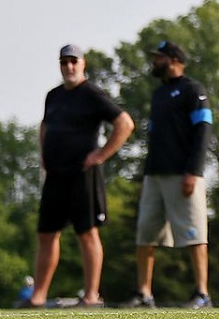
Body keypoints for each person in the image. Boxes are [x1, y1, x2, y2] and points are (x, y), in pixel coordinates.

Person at [22, 45, 134, 309]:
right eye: (64, 62)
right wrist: (43, 155)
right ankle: (37, 296)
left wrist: (101, 155)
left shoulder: (92, 94)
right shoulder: (54, 96)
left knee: (87, 233)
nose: (69, 67)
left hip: (82, 175)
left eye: (73, 61)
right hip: (55, 175)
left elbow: (125, 123)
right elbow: (45, 125)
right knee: (46, 234)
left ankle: (91, 296)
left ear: (82, 64)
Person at [126, 41, 214, 309]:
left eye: (159, 57)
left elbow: (203, 131)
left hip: (184, 175)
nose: (154, 62)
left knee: (194, 234)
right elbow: (154, 139)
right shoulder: (159, 94)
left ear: (174, 59)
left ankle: (202, 294)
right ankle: (144, 294)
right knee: (145, 235)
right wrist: (146, 177)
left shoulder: (192, 90)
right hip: (155, 175)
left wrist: (193, 171)